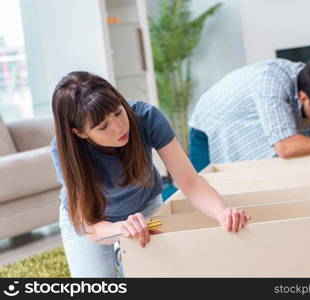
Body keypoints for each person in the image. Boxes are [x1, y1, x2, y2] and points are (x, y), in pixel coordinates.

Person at [51, 71, 251, 278]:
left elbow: (190, 182)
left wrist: (222, 212)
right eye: (103, 127)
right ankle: (122, 250)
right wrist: (122, 229)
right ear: (80, 133)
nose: (120, 127)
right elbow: (92, 229)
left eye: (119, 112)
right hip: (94, 220)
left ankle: (127, 254)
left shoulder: (145, 117)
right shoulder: (64, 150)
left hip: (143, 207)